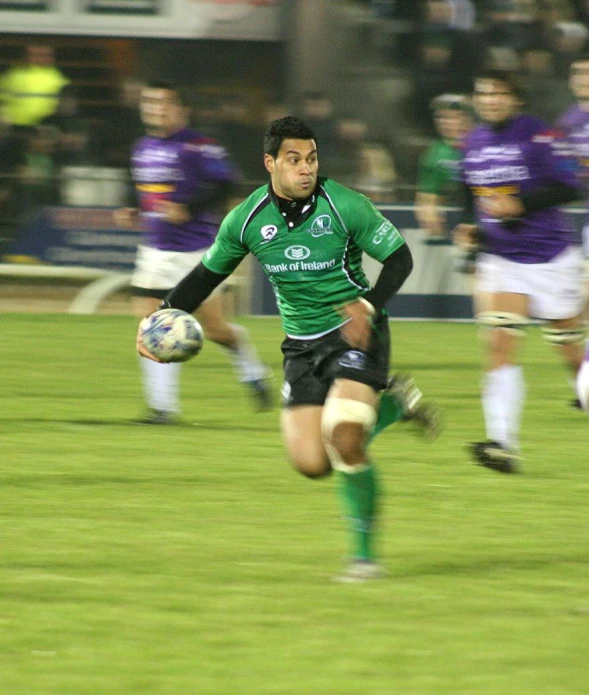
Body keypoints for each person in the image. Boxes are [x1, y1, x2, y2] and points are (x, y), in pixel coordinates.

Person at [137, 115, 441, 582]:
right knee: (311, 464)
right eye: (294, 160)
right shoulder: (247, 218)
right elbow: (206, 276)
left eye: (312, 159)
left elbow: (400, 258)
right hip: (300, 347)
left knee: (343, 439)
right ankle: (394, 405)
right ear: (270, 163)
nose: (306, 169)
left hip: (356, 333)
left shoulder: (345, 205)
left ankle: (363, 557)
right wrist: (158, 318)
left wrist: (369, 305)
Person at [115, 81, 271, 424]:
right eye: (149, 102)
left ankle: (251, 367)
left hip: (195, 252)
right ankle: (163, 409)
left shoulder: (199, 146)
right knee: (151, 326)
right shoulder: (142, 147)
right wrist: (129, 207)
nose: (155, 108)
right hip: (154, 251)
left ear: (181, 110)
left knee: (215, 330)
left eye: (163, 103)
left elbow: (228, 184)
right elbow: (141, 188)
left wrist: (189, 207)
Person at [454, 69, 585, 474]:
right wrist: (468, 226)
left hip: (550, 259)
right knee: (499, 342)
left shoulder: (539, 136)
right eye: (483, 93)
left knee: (569, 348)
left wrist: (521, 205)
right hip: (503, 259)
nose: (490, 100)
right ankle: (503, 443)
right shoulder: (472, 142)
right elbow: (467, 191)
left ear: (516, 99)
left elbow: (570, 187)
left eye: (498, 93)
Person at [556, 54, 589, 408]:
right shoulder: (566, 123)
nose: (583, 78)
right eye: (577, 73)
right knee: (577, 308)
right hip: (581, 220)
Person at [415, 93, 473, 239]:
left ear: (468, 118)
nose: (446, 122)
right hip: (455, 226)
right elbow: (427, 196)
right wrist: (428, 211)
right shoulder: (435, 153)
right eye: (442, 117)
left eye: (455, 117)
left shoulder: (481, 146)